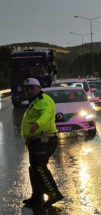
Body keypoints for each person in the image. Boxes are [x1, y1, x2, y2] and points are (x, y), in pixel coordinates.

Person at [21, 78, 64, 207]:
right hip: (35, 140)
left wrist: (37, 124)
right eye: (26, 89)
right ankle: (37, 197)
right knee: (34, 167)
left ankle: (54, 194)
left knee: (39, 166)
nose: (29, 91)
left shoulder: (43, 100)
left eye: (32, 88)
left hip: (44, 139)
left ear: (39, 88)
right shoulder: (34, 102)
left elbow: (46, 114)